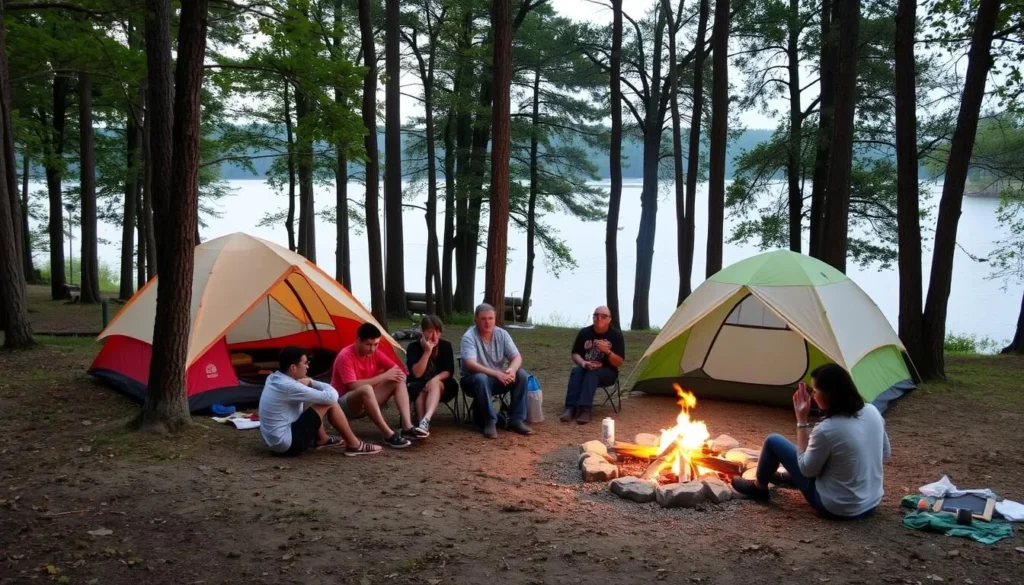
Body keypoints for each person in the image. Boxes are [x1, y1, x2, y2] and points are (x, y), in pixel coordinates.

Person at [730, 364, 891, 520]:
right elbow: (885, 453)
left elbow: (807, 470)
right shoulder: (872, 411)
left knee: (773, 441)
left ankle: (759, 488)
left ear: (829, 395)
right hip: (871, 502)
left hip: (838, 507)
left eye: (815, 391)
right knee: (826, 455)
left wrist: (802, 420)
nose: (813, 396)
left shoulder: (827, 429)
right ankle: (788, 477)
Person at [258, 346, 382, 456]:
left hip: (275, 442)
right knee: (330, 403)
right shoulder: (289, 386)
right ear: (293, 368)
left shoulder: (273, 378)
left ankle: (323, 438)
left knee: (312, 396)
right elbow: (332, 397)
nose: (307, 366)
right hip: (287, 445)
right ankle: (355, 445)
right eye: (305, 363)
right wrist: (312, 382)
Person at [331, 323, 423, 448]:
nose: (372, 349)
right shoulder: (345, 356)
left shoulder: (375, 353)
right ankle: (388, 434)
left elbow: (398, 371)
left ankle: (407, 426)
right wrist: (383, 376)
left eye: (376, 344)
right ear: (358, 341)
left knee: (398, 379)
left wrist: (395, 374)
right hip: (342, 405)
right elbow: (353, 386)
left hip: (367, 400)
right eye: (368, 344)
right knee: (366, 389)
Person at [460, 303, 534, 439]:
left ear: (495, 319)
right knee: (481, 378)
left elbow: (516, 357)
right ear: (475, 319)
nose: (487, 322)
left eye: (490, 318)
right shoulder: (469, 337)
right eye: (483, 319)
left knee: (521, 375)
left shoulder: (502, 334)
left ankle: (517, 419)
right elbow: (470, 365)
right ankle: (490, 420)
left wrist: (512, 370)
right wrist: (496, 373)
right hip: (473, 381)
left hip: (497, 379)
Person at [560, 305, 625, 424]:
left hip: (608, 372)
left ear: (609, 319)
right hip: (586, 367)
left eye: (603, 316)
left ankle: (585, 409)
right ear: (593, 317)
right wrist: (583, 363)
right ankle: (570, 408)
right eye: (596, 315)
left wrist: (607, 351)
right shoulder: (584, 332)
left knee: (592, 373)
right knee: (576, 370)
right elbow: (575, 354)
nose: (599, 318)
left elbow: (619, 362)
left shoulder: (616, 335)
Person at [405, 315, 458, 436]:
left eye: (438, 332)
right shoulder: (413, 347)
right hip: (418, 384)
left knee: (435, 384)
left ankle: (425, 420)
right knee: (421, 390)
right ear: (422, 332)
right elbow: (417, 373)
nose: (434, 336)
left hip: (443, 384)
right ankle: (422, 425)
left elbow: (449, 371)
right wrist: (427, 352)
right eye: (430, 332)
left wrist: (435, 379)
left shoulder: (445, 346)